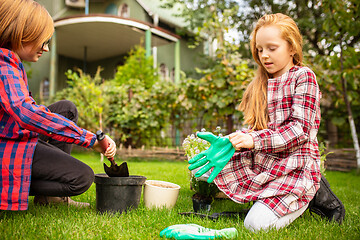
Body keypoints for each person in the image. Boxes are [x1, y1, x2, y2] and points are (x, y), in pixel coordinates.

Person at [190, 13, 344, 231]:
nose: (264, 55)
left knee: (255, 225)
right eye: (260, 49)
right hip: (267, 163)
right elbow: (257, 129)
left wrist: (252, 139)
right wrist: (229, 143)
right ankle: (270, 197)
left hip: (296, 166)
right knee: (203, 171)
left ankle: (310, 193)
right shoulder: (260, 83)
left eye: (272, 48)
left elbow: (299, 131)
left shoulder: (303, 76)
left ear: (292, 48)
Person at [0, 0, 116, 211]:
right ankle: (7, 186)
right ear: (20, 32)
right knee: (82, 178)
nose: (45, 48)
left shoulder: (12, 64)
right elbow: (26, 113)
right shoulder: (4, 66)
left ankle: (49, 197)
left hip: (12, 135)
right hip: (7, 147)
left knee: (67, 108)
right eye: (41, 41)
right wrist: (89, 140)